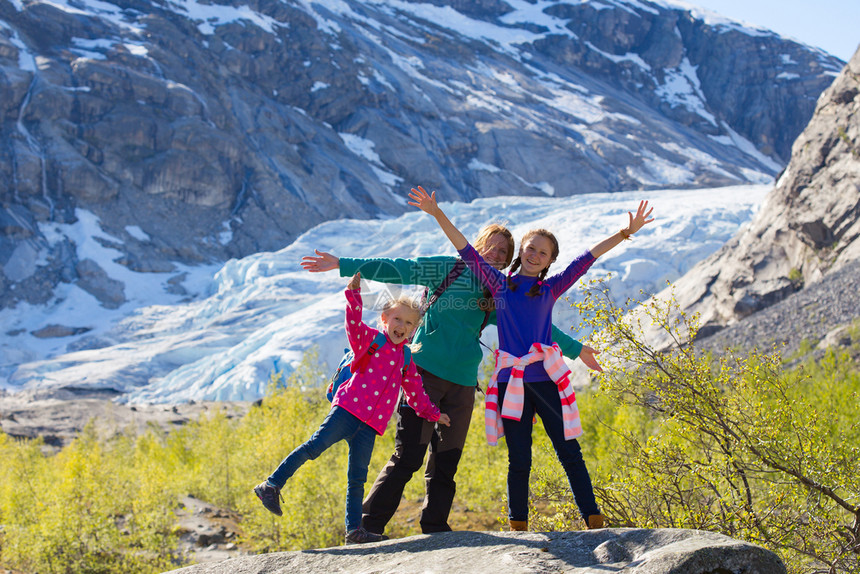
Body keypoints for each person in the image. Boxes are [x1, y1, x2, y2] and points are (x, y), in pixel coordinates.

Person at [301, 224, 602, 535]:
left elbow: (534, 324)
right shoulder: (447, 268)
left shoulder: (496, 291)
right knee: (408, 457)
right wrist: (344, 265)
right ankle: (368, 527)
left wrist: (577, 349)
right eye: (491, 246)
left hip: (462, 384)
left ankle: (435, 528)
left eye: (503, 252)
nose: (496, 254)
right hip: (423, 376)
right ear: (477, 244)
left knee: (446, 462)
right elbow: (399, 269)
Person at [409, 185, 654, 531]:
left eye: (543, 252)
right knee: (519, 459)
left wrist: (625, 233)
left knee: (570, 453)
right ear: (520, 252)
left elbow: (588, 258)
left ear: (550, 260)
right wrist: (437, 214)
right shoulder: (498, 286)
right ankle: (518, 524)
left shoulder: (551, 288)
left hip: (546, 382)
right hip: (513, 385)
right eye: (530, 248)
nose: (535, 254)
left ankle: (594, 519)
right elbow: (465, 248)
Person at [253, 272, 451, 545]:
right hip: (346, 412)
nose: (401, 326)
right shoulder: (370, 340)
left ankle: (353, 531)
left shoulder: (405, 357)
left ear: (414, 328)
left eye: (408, 323)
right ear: (384, 319)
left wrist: (433, 413)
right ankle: (271, 485)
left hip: (369, 427)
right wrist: (354, 295)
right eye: (397, 319)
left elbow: (415, 391)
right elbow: (352, 324)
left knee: (357, 477)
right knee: (313, 447)